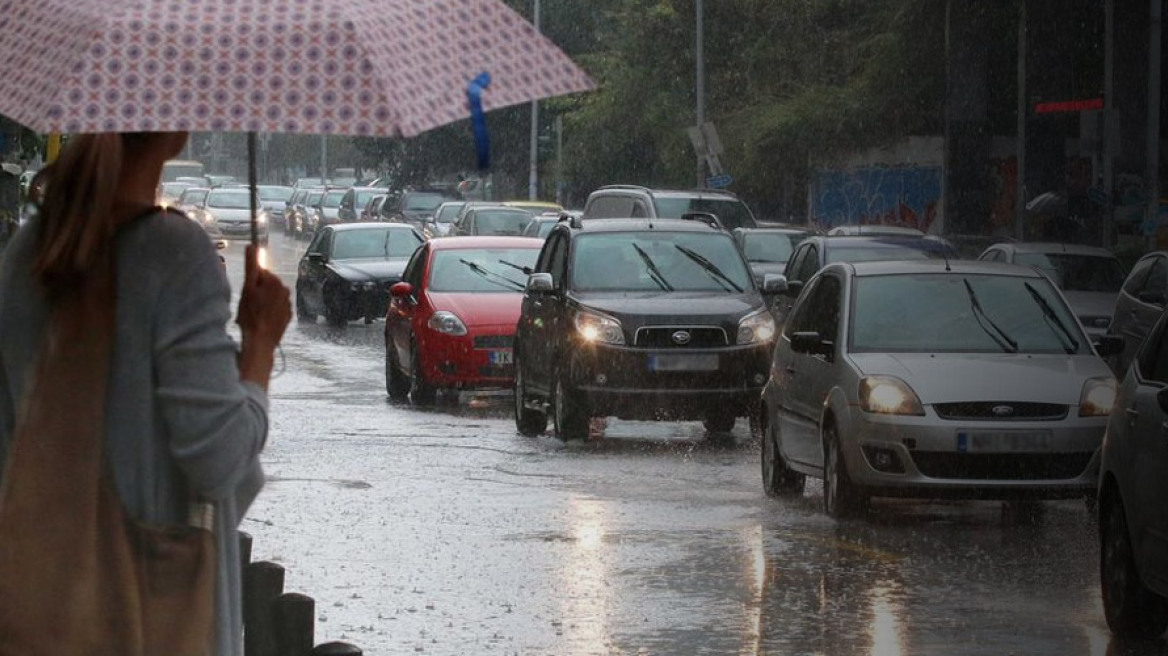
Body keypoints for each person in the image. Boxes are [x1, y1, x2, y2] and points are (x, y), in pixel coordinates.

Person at [0, 132, 291, 656]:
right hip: (150, 614)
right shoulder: (172, 253)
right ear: (171, 128)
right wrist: (260, 347)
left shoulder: (28, 250)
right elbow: (221, 463)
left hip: (37, 603)